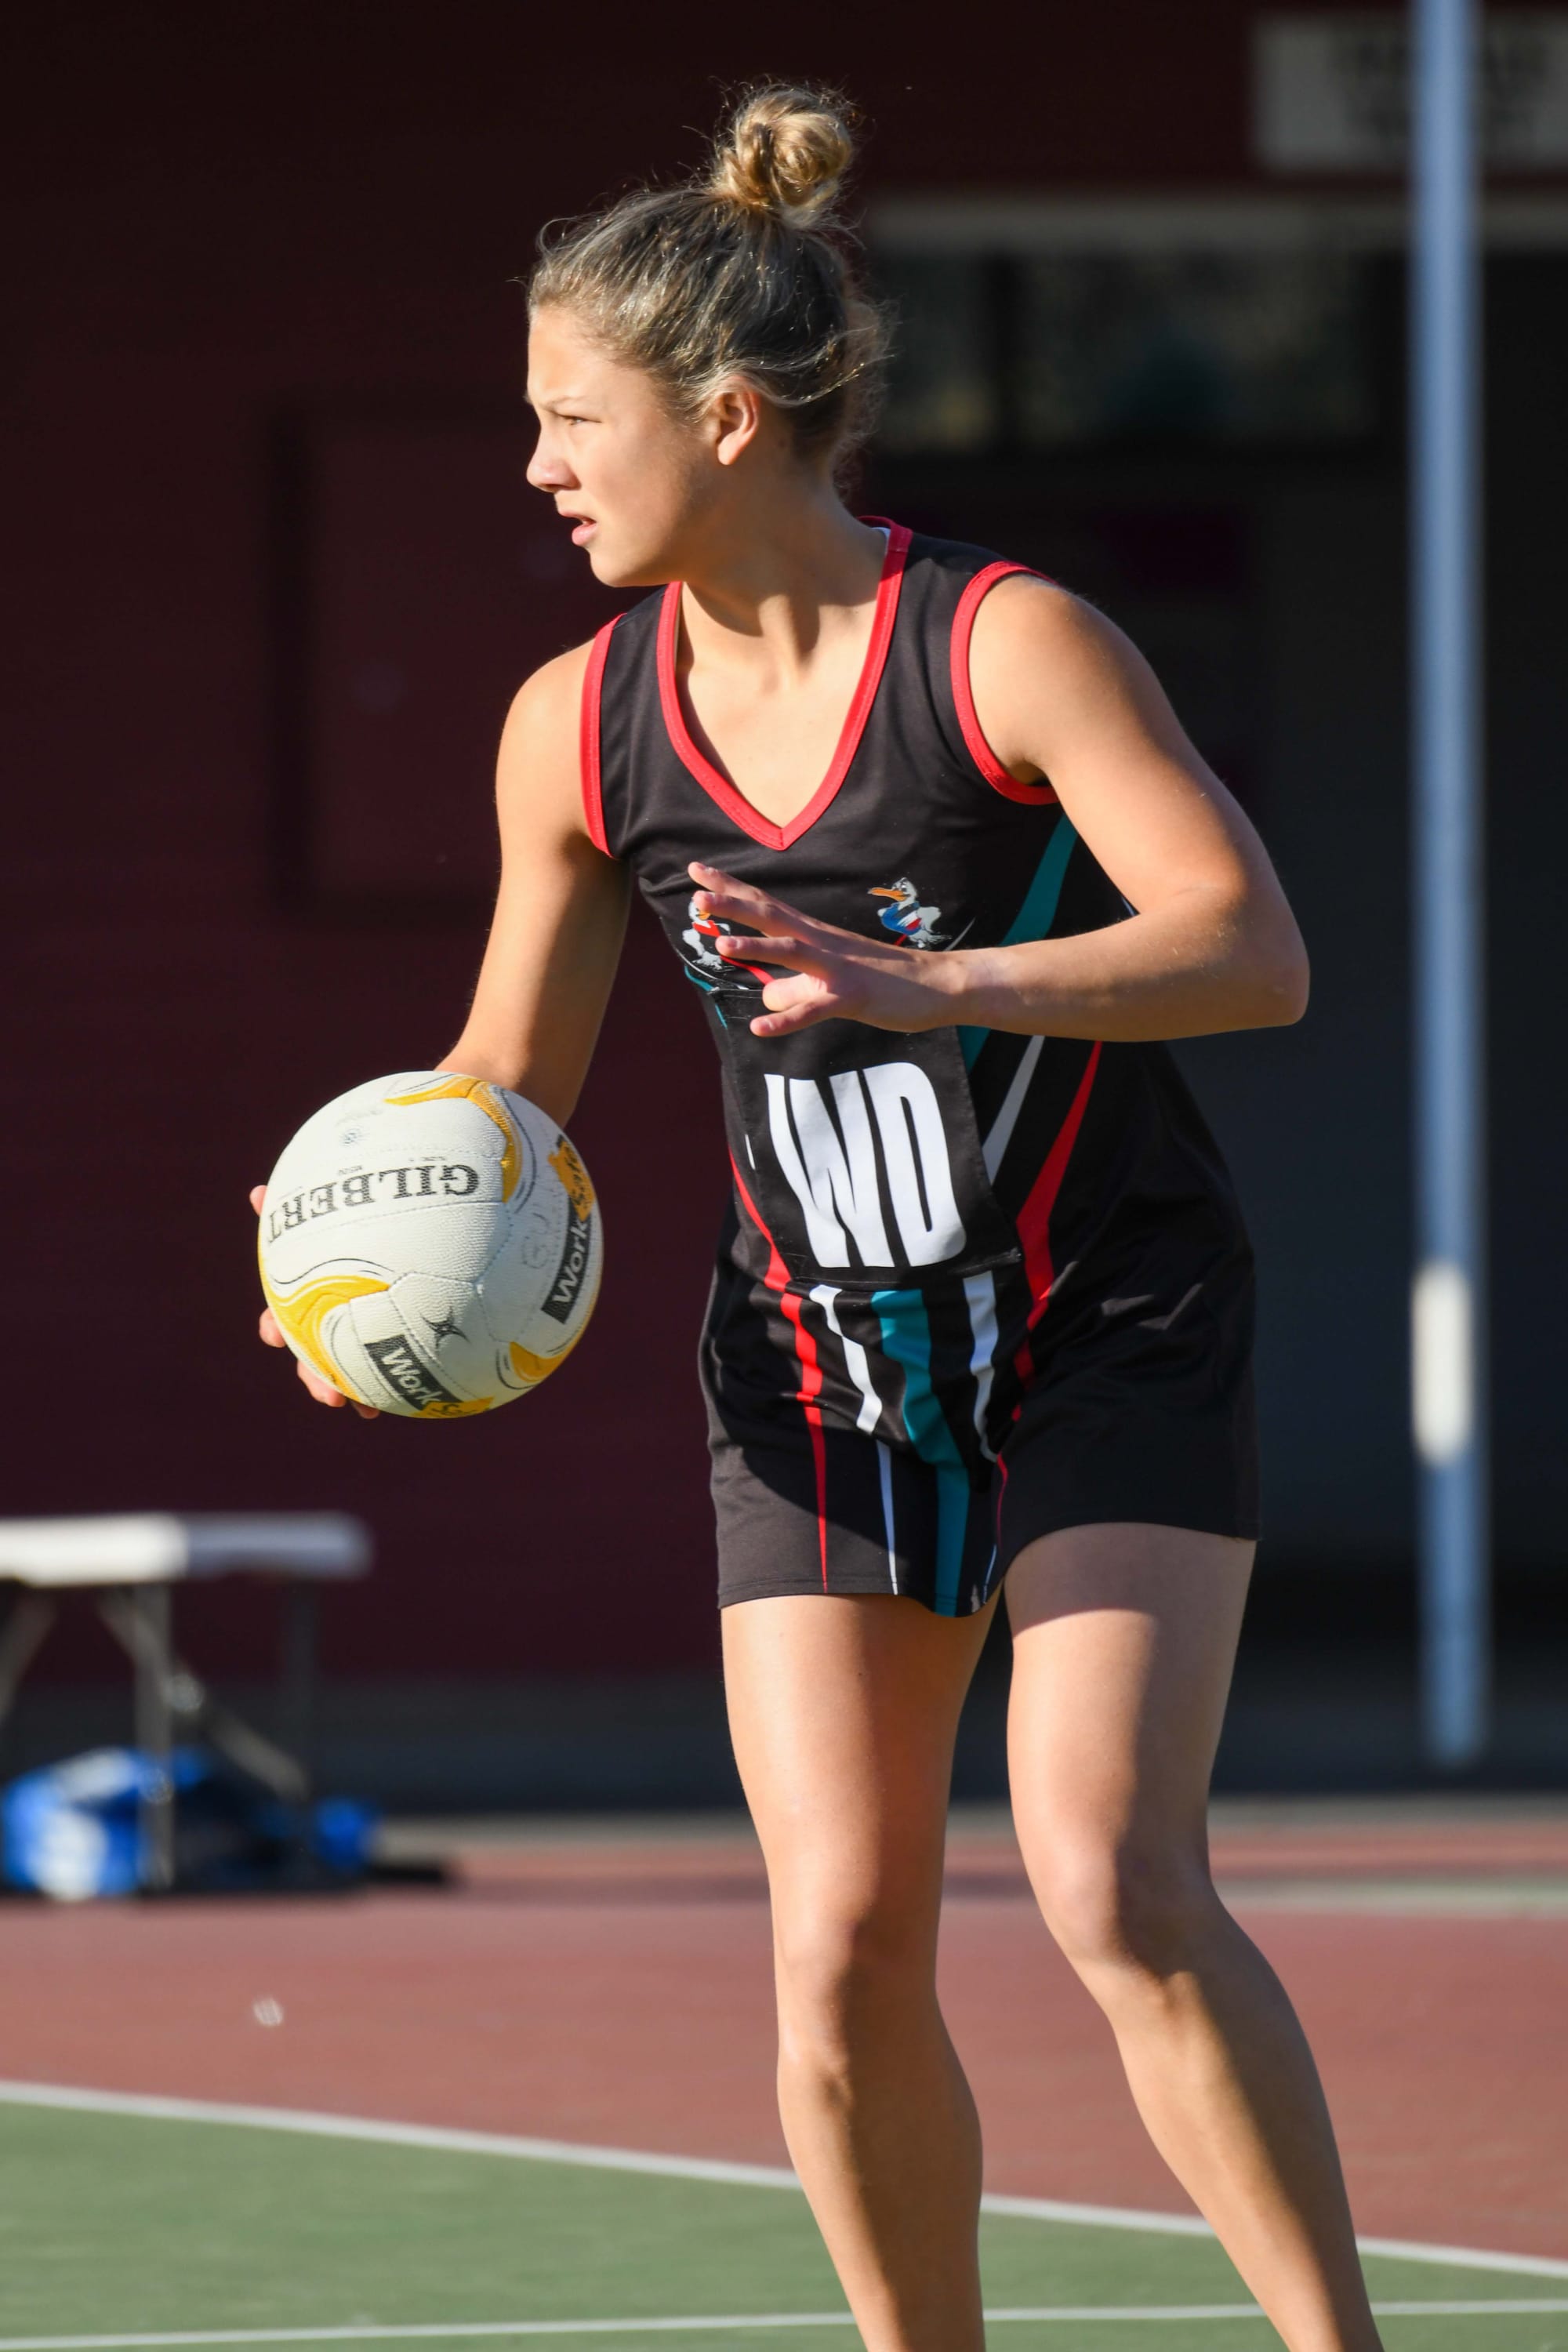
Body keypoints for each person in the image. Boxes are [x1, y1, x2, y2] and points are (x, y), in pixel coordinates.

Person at [254, 85, 1384, 2352]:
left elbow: (1250, 947)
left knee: (1109, 1880)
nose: (543, 465)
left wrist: (928, 973)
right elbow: (508, 1083)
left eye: (575, 419)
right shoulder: (573, 731)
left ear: (730, 414)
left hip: (1104, 1323)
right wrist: (351, 1233)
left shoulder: (1003, 647)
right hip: (818, 1363)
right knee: (841, 1944)